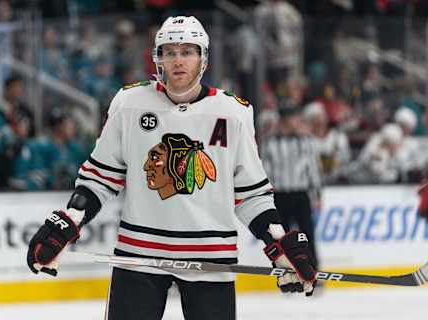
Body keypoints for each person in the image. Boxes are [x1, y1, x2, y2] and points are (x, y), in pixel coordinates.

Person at [26, 16, 317, 320]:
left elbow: (250, 195)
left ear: (203, 58)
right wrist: (67, 222)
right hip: (140, 256)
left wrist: (279, 242)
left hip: (210, 260)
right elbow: (100, 178)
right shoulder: (128, 103)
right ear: (158, 58)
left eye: (188, 51)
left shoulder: (234, 113)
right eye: (170, 51)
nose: (178, 60)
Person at [260, 104, 322, 269]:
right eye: (288, 119)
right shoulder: (271, 142)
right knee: (282, 237)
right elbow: (266, 171)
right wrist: (267, 197)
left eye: (294, 119)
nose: (292, 123)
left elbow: (313, 170)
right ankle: (287, 271)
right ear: (282, 121)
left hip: (300, 194)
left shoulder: (306, 141)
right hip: (280, 196)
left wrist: (317, 195)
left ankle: (312, 270)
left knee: (307, 236)